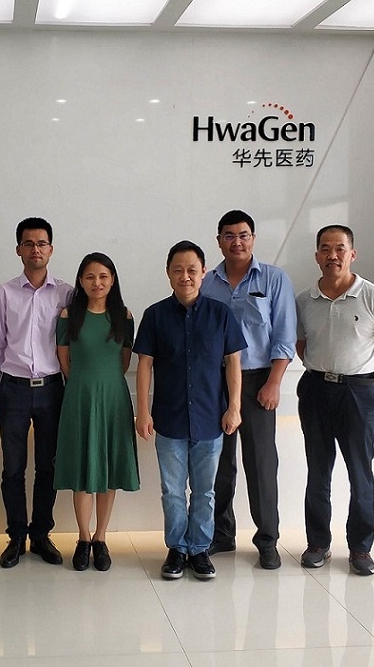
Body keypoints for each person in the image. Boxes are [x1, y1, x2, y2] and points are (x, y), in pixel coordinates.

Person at [134, 240, 246, 582]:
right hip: (168, 418)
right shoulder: (155, 315)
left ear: (203, 273)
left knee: (205, 491)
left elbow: (233, 363)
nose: (185, 276)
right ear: (168, 273)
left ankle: (199, 549)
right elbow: (144, 365)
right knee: (172, 490)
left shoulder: (220, 314)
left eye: (192, 270)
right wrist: (143, 411)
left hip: (211, 418)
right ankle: (176, 549)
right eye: (178, 270)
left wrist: (234, 408)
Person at [296, 225, 374, 576]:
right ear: (317, 256)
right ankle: (317, 544)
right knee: (318, 471)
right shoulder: (304, 300)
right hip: (316, 390)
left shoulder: (373, 296)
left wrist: (363, 381)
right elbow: (300, 346)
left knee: (360, 472)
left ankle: (360, 548)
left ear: (352, 254)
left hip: (359, 393)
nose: (333, 255)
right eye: (325, 249)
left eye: (340, 248)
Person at [201, 210, 296, 570]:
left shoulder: (274, 279)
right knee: (218, 463)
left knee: (261, 465)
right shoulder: (207, 283)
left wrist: (274, 382)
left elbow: (284, 336)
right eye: (229, 235)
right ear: (219, 241)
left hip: (258, 382)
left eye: (243, 235)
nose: (236, 242)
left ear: (253, 238)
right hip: (216, 383)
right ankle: (221, 534)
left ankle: (267, 540)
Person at [0, 217, 73, 568]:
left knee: (48, 467)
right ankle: (16, 536)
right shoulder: (4, 292)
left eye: (42, 243)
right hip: (14, 389)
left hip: (52, 389)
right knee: (13, 468)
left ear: (51, 249)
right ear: (18, 249)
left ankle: (40, 535)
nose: (36, 249)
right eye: (29, 243)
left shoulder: (66, 293)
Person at [54, 253, 139, 572]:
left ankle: (101, 538)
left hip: (114, 398)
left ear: (112, 280)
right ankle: (83, 537)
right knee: (82, 469)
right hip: (79, 397)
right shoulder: (68, 315)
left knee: (108, 468)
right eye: (90, 277)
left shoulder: (124, 316)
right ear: (80, 281)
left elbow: (124, 361)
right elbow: (64, 360)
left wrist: (103, 381)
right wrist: (84, 382)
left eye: (103, 276)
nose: (97, 282)